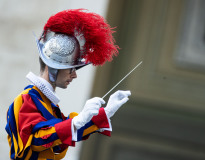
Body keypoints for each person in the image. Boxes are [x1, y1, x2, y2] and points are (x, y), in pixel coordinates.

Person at [5, 9, 131, 160]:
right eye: (71, 69)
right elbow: (37, 139)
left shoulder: (47, 103)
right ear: (53, 68)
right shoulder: (27, 99)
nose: (75, 75)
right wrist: (77, 121)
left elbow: (66, 134)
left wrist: (104, 113)